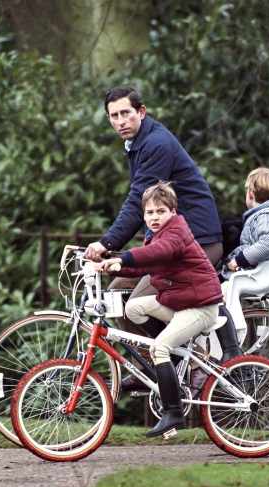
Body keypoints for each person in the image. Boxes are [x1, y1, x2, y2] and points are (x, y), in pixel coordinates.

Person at [86, 86, 223, 391]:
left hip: (196, 242)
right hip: (170, 245)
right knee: (118, 289)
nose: (120, 120)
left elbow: (138, 201)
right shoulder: (139, 143)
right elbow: (145, 206)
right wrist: (118, 257)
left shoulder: (156, 143)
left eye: (126, 113)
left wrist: (108, 244)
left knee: (137, 301)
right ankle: (150, 365)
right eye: (114, 116)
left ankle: (189, 360)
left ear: (141, 112)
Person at [92, 182, 242, 437]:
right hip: (180, 302)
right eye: (149, 213)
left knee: (157, 348)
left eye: (160, 211)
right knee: (134, 308)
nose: (154, 217)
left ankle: (173, 413)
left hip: (199, 307)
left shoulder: (176, 232)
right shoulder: (156, 235)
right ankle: (173, 355)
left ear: (172, 212)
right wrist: (113, 265)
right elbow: (145, 266)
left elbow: (159, 252)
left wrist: (124, 257)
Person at [221, 167, 269, 340]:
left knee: (218, 296)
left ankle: (233, 336)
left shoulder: (267, 215)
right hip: (249, 273)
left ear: (250, 192)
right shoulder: (262, 214)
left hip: (252, 275)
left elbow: (268, 243)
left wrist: (238, 260)